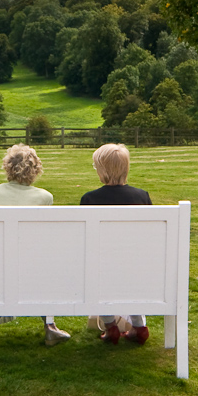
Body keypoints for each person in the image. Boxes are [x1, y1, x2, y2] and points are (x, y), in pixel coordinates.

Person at [0, 143, 71, 347]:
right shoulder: (44, 197)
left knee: (7, 266)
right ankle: (50, 326)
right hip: (34, 263)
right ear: (35, 169)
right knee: (43, 268)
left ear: (7, 167)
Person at [80, 142, 152, 345]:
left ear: (101, 170)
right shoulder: (141, 196)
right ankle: (139, 326)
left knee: (97, 274)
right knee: (132, 276)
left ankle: (110, 325)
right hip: (136, 263)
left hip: (103, 263)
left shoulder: (90, 199)